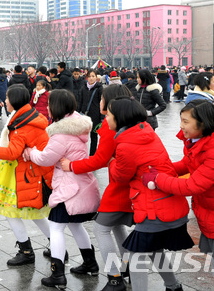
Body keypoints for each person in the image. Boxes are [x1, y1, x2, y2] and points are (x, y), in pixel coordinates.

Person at [143, 100, 214, 291]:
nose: (181, 126)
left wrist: (159, 178)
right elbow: (187, 163)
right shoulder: (199, 141)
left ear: (202, 123)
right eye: (181, 120)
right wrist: (161, 169)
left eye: (186, 121)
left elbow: (193, 185)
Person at [107, 97, 191, 291]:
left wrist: (111, 162)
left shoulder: (125, 145)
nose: (106, 118)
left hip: (153, 208)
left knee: (136, 255)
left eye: (109, 115)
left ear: (120, 118)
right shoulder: (147, 132)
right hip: (167, 202)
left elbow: (120, 177)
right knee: (154, 248)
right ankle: (173, 286)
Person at [24, 89, 100, 289]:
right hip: (82, 184)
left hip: (68, 188)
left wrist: (31, 151)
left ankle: (58, 274)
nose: (47, 108)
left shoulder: (61, 134)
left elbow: (45, 159)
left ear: (57, 107)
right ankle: (90, 263)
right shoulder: (78, 126)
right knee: (76, 225)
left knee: (56, 227)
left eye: (49, 104)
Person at [61, 85, 133, 290]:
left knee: (101, 229)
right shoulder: (131, 123)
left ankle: (114, 277)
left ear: (110, 103)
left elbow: (100, 160)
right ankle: (127, 267)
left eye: (102, 98)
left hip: (119, 186)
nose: (99, 101)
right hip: (125, 183)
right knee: (116, 225)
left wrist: (72, 165)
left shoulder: (112, 127)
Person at [0, 85, 53, 266]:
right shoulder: (28, 115)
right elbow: (17, 144)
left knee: (11, 211)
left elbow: (12, 152)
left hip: (21, 173)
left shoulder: (21, 124)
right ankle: (57, 247)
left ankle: (26, 250)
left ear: (15, 100)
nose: (5, 101)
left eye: (8, 98)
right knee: (34, 211)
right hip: (28, 172)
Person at [78, 69, 104, 156]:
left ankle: (92, 155)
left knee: (93, 136)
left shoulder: (99, 88)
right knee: (81, 136)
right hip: (84, 115)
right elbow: (80, 101)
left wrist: (101, 117)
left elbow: (102, 103)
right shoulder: (83, 88)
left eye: (93, 76)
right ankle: (81, 153)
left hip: (95, 116)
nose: (91, 78)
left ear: (96, 77)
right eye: (89, 76)